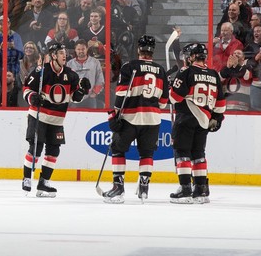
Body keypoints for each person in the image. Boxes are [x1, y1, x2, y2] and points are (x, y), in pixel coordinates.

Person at [102, 35, 169, 204]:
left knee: (118, 149)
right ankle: (144, 188)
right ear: (153, 50)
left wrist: (114, 114)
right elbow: (163, 103)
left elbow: (121, 94)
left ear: (139, 49)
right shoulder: (161, 70)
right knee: (146, 153)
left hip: (130, 118)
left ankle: (118, 188)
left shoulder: (130, 67)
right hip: (153, 119)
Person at [21, 42, 91, 197]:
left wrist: (82, 89)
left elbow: (75, 97)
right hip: (38, 117)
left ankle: (43, 183)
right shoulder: (41, 71)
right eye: (60, 53)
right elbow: (26, 88)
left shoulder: (71, 74)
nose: (64, 55)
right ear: (53, 56)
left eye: (64, 52)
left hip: (57, 120)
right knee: (36, 149)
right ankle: (26, 178)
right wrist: (32, 97)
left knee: (53, 151)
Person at [169, 43, 226, 204]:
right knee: (198, 154)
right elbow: (220, 103)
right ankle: (200, 190)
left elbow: (175, 98)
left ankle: (186, 189)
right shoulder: (214, 74)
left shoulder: (186, 72)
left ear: (193, 57)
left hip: (186, 117)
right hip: (205, 120)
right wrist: (217, 118)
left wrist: (171, 87)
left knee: (182, 152)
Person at [67, 39, 104, 108]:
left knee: (92, 118)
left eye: (83, 49)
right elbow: (66, 81)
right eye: (78, 49)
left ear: (87, 49)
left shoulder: (95, 62)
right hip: (74, 99)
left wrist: (95, 92)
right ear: (75, 50)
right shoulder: (69, 64)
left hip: (90, 98)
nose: (81, 51)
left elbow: (100, 79)